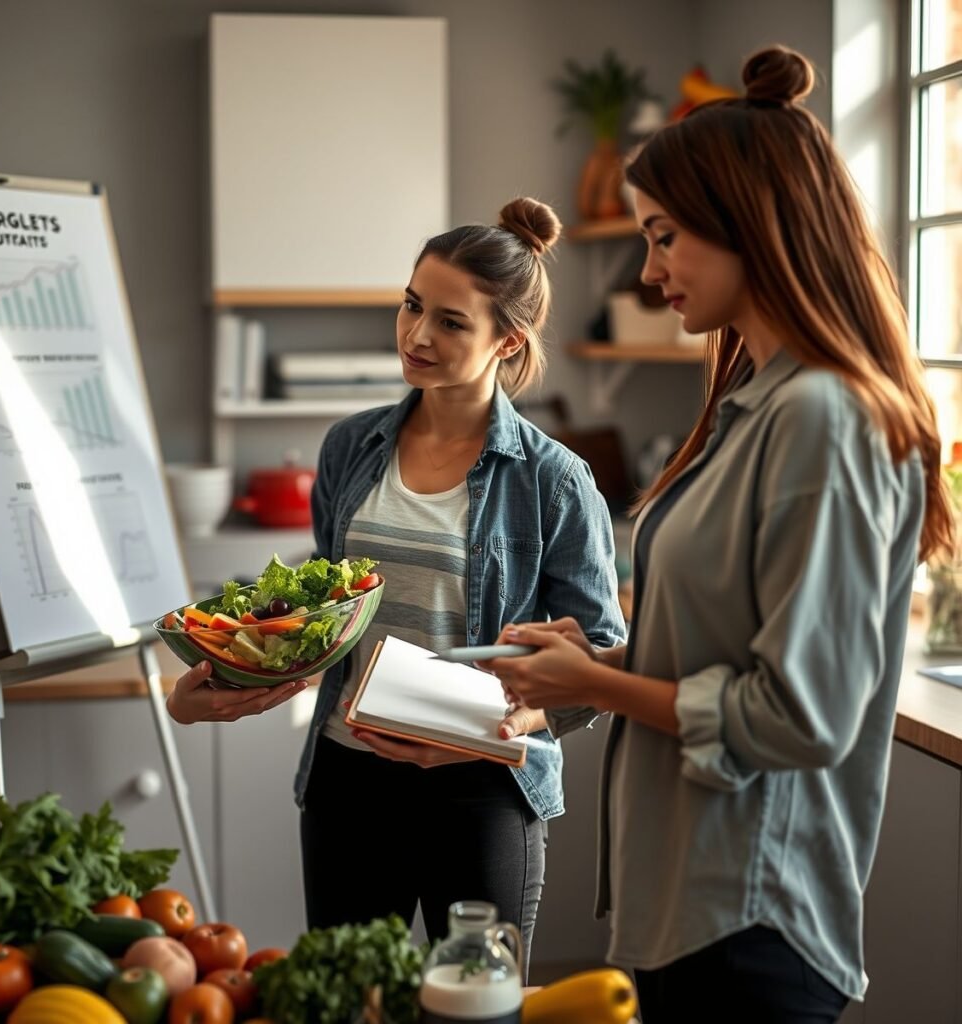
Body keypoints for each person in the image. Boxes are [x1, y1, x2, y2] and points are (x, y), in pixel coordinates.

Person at [485, 47, 954, 1023]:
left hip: (750, 919)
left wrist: (597, 686)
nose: (649, 271)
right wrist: (604, 652)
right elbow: (731, 647)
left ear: (749, 227)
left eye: (663, 238)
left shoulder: (823, 419)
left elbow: (798, 715)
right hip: (687, 905)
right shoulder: (753, 402)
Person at [167, 196, 626, 972]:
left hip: (481, 793)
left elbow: (603, 662)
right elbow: (324, 619)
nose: (417, 335)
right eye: (412, 306)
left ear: (506, 341)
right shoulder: (351, 445)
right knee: (345, 1002)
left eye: (451, 321)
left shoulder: (555, 481)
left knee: (475, 1010)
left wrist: (497, 730)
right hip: (348, 785)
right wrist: (213, 685)